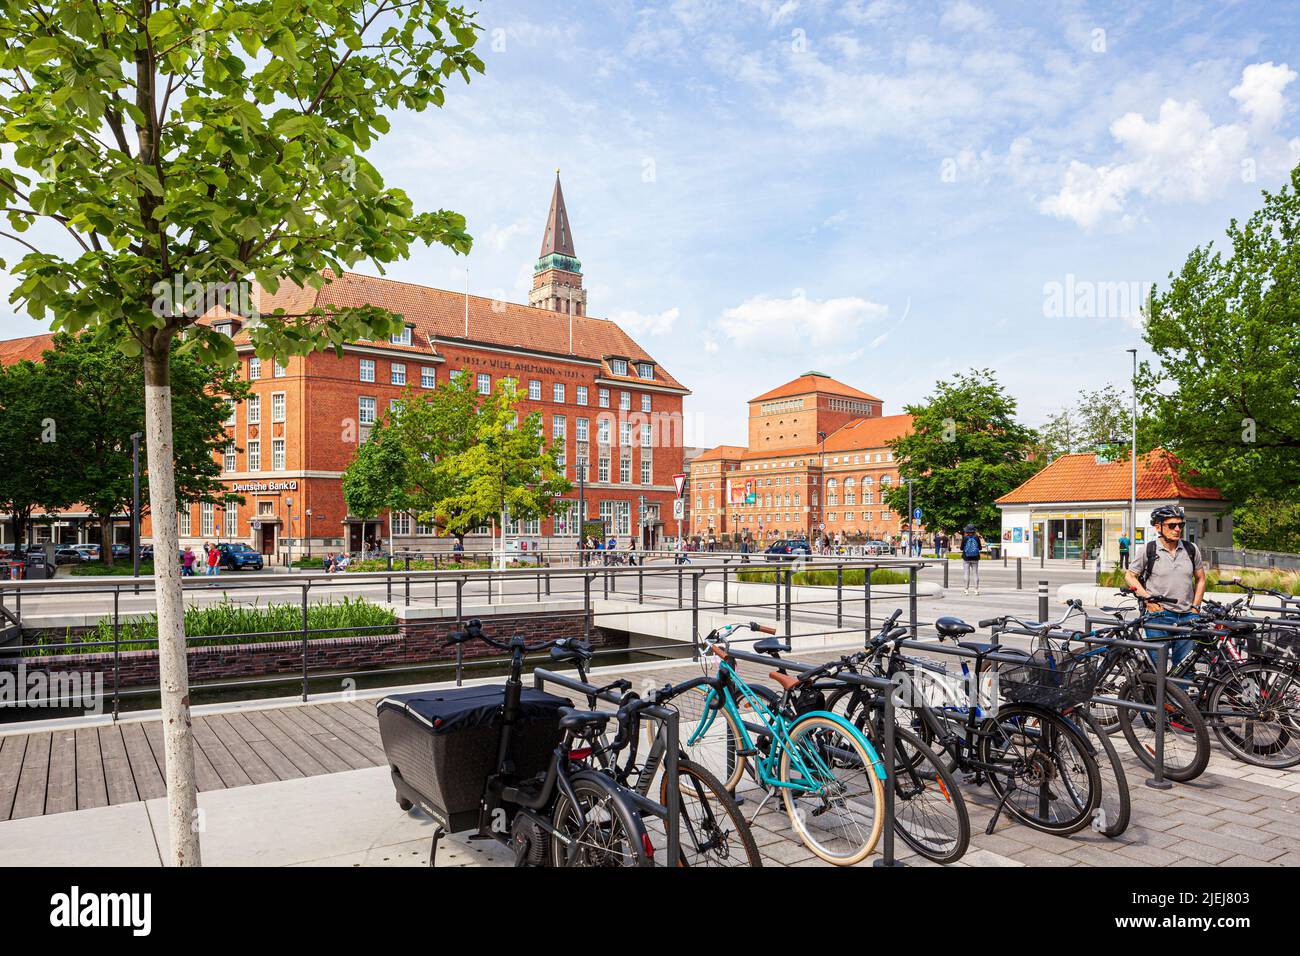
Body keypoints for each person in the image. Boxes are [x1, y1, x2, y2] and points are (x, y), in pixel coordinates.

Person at [1125, 505, 1205, 669]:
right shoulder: (1148, 549)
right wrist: (1147, 599)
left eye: (1180, 525)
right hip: (1159, 616)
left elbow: (1201, 579)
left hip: (1187, 616)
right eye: (1172, 525)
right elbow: (1130, 576)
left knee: (1184, 668)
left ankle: (1179, 695)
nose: (1177, 529)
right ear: (1158, 527)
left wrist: (1196, 607)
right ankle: (1154, 695)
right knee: (1157, 667)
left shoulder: (1191, 549)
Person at [960, 524, 983, 595]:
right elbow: (980, 548)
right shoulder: (976, 537)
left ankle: (966, 590)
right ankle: (976, 590)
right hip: (975, 558)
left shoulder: (965, 538)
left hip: (966, 558)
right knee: (975, 573)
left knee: (966, 573)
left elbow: (961, 548)